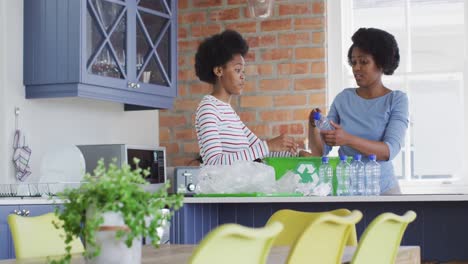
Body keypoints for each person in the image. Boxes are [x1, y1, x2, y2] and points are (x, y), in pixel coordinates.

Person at [308, 27, 409, 194]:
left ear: (381, 63)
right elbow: (319, 153)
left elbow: (388, 151)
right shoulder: (343, 99)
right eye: (354, 62)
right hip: (345, 191)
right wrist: (313, 126)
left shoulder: (396, 100)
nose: (356, 68)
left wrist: (348, 139)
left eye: (364, 62)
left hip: (383, 191)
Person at [194, 29, 298, 166]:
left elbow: (260, 150)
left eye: (243, 71)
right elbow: (214, 162)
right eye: (237, 70)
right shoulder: (208, 110)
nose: (243, 76)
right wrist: (268, 146)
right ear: (219, 71)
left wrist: (295, 152)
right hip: (222, 188)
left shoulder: (228, 112)